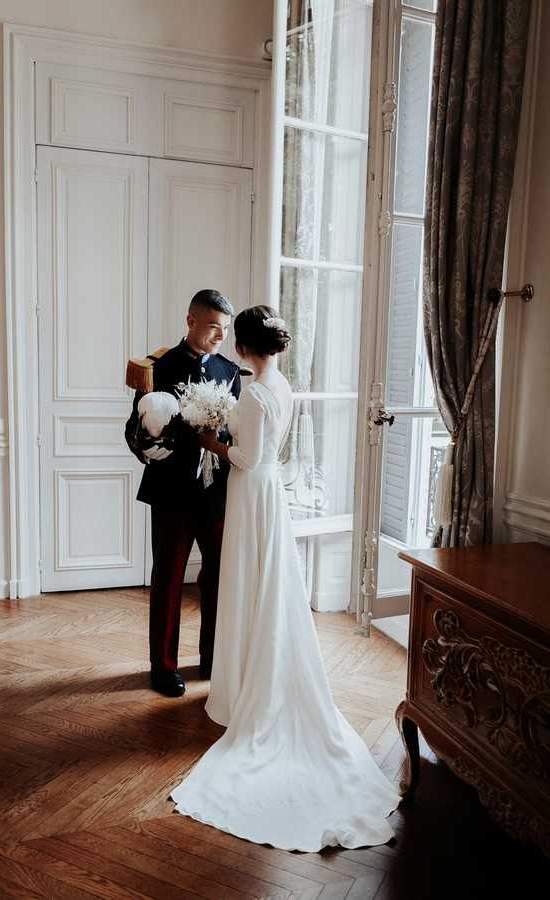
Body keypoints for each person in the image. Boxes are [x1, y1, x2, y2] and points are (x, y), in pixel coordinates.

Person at [170, 305, 399, 851]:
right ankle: (255, 670)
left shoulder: (251, 392)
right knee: (266, 586)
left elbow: (246, 457)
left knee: (248, 585)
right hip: (270, 496)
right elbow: (267, 450)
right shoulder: (283, 384)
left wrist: (212, 442)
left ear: (245, 345)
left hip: (252, 492)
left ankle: (245, 686)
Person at [125, 290, 241, 698]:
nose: (219, 336)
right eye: (213, 326)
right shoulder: (158, 367)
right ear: (190, 321)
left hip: (217, 493)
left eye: (225, 329)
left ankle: (212, 659)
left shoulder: (230, 371)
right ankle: (164, 667)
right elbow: (133, 431)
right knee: (169, 578)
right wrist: (147, 446)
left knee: (217, 578)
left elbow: (235, 432)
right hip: (172, 491)